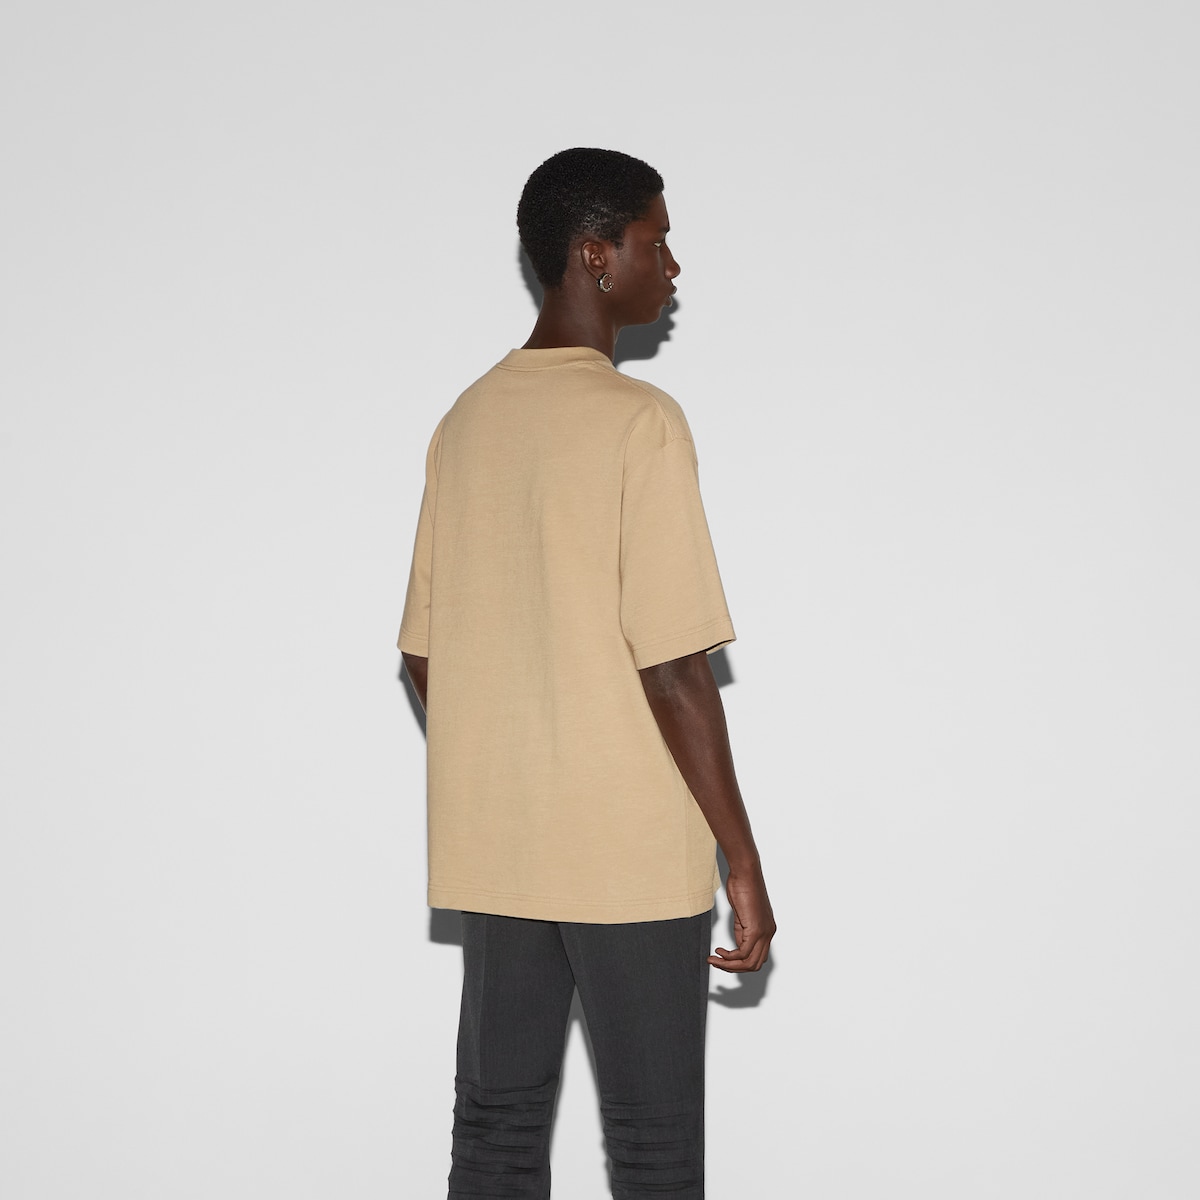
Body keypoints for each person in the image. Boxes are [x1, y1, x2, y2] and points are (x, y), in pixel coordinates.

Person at [398, 147, 775, 1199]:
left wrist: (514, 764)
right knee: (653, 1145)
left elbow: (424, 653)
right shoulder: (639, 422)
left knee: (496, 1129)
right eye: (657, 242)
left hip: (502, 844)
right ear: (595, 256)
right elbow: (675, 667)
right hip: (627, 850)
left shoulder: (467, 421)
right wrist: (741, 858)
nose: (674, 266)